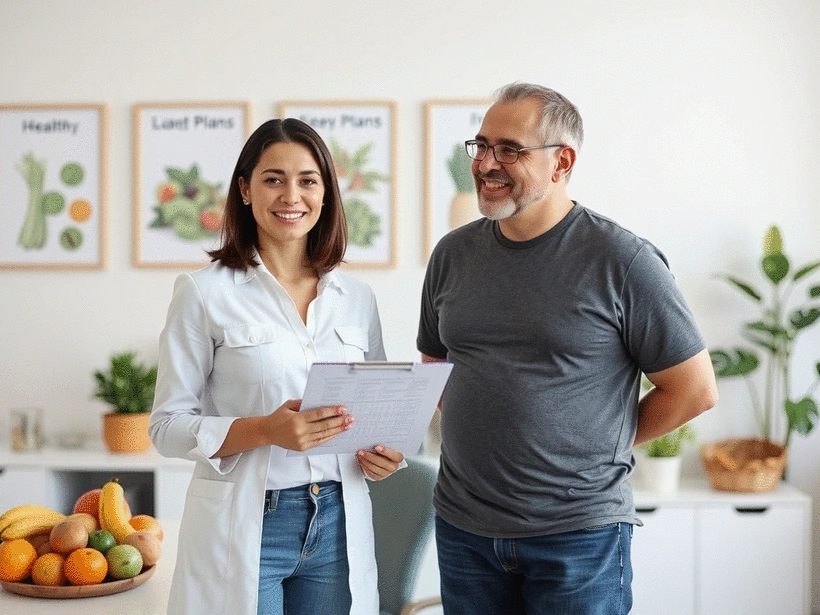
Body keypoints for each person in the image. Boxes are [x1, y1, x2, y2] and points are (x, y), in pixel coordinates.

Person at [417, 82, 718, 615]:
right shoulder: (452, 254)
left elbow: (693, 390)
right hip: (465, 530)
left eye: (509, 149)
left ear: (562, 162)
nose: (487, 162)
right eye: (481, 146)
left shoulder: (622, 260)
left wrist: (596, 450)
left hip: (578, 536)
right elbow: (435, 362)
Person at [150, 118, 404, 615]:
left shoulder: (357, 298)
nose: (292, 195)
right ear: (245, 189)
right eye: (273, 179)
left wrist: (382, 456)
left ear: (326, 193)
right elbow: (166, 428)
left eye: (308, 180)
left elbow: (373, 414)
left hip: (337, 523)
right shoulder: (204, 293)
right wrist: (264, 429)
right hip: (249, 522)